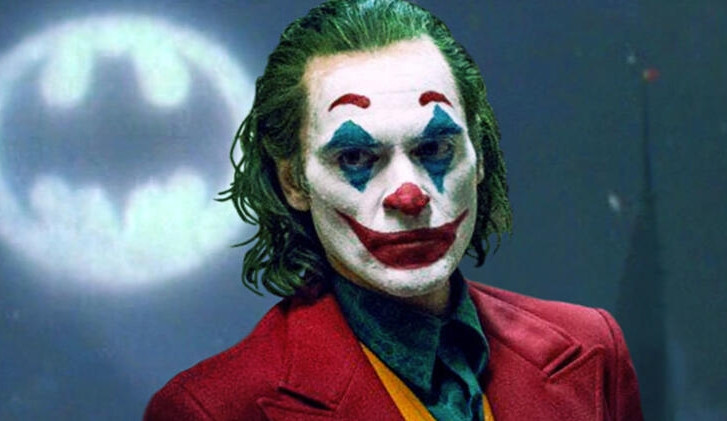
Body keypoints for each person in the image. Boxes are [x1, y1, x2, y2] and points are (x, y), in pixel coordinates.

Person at [145, 0, 643, 419]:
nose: (409, 195)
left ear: (479, 154)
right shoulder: (214, 410)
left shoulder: (591, 349)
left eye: (435, 148)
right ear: (294, 181)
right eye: (355, 158)